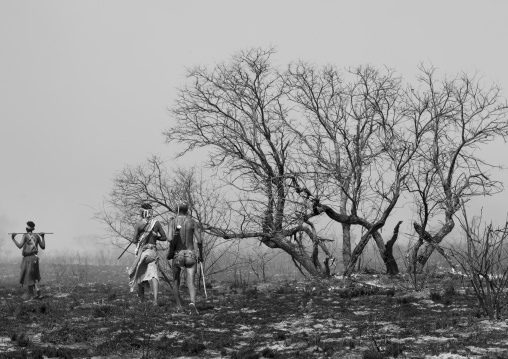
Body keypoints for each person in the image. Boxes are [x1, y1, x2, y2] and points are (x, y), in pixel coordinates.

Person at [167, 203, 204, 315]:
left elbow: (169, 238)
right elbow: (200, 240)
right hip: (190, 254)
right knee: (191, 281)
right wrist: (200, 254)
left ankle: (179, 306)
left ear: (176, 210)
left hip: (178, 255)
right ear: (187, 210)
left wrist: (174, 232)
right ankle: (192, 302)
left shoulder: (173, 222)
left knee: (176, 281)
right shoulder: (192, 222)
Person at [128, 203, 167, 306]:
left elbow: (134, 240)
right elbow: (164, 238)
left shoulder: (139, 224)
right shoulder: (157, 223)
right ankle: (155, 301)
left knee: (139, 274)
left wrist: (138, 238)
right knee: (154, 275)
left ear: (143, 212)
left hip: (142, 252)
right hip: (152, 252)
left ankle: (141, 299)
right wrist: (155, 237)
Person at [11, 221, 46, 300]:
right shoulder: (37, 236)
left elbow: (20, 246)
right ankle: (37, 289)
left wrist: (13, 239)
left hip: (28, 259)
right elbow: (43, 246)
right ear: (33, 229)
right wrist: (43, 236)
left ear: (26, 228)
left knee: (28, 277)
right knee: (32, 276)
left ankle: (32, 297)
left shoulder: (25, 236)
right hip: (35, 258)